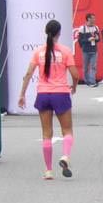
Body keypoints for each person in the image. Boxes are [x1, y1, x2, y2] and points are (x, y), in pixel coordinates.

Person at [18, 20, 79, 180]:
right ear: (59, 33)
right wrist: (74, 86)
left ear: (46, 32)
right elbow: (75, 74)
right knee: (67, 130)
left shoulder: (38, 52)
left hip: (43, 94)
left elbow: (29, 73)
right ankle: (65, 156)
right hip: (60, 93)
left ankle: (48, 170)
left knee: (46, 134)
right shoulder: (65, 51)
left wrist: (22, 94)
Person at [75, 13, 100, 87]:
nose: (94, 20)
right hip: (86, 51)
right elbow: (80, 41)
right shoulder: (82, 28)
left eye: (94, 18)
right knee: (86, 67)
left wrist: (97, 38)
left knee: (93, 66)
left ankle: (92, 81)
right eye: (92, 18)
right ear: (88, 19)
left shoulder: (96, 28)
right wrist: (88, 40)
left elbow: (99, 39)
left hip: (94, 50)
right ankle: (86, 80)